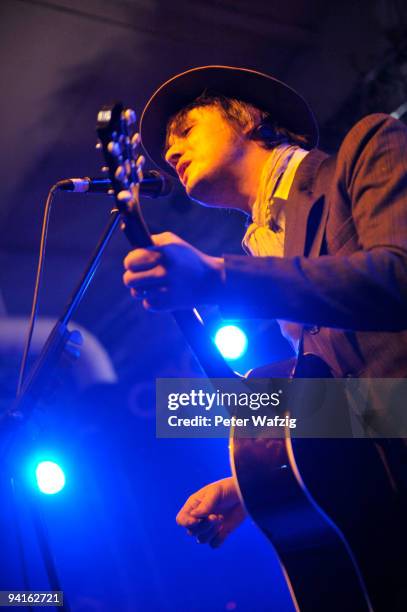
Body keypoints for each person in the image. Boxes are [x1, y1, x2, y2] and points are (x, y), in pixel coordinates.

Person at [122, 66, 407, 549]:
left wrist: (219, 277)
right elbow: (366, 406)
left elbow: (398, 280)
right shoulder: (265, 245)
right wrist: (257, 483)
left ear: (251, 119)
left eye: (186, 130)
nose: (170, 154)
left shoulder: (366, 146)